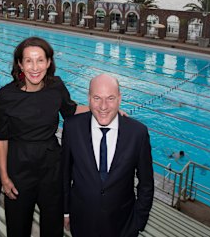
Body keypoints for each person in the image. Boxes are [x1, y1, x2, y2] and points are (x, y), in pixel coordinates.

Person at [0, 37, 89, 237]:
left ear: (48, 62)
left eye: (40, 60)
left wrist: (105, 109)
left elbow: (70, 110)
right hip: (19, 168)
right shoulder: (6, 95)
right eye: (28, 61)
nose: (34, 67)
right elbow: (1, 138)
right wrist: (4, 177)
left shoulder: (56, 87)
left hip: (51, 167)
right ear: (20, 64)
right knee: (18, 228)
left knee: (53, 228)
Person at [62, 74, 154, 237]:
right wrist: (66, 212)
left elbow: (146, 183)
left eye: (110, 98)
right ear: (89, 98)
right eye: (97, 98)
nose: (103, 106)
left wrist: (139, 222)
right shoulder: (72, 128)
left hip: (123, 225)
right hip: (82, 221)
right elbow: (64, 174)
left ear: (119, 99)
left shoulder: (137, 133)